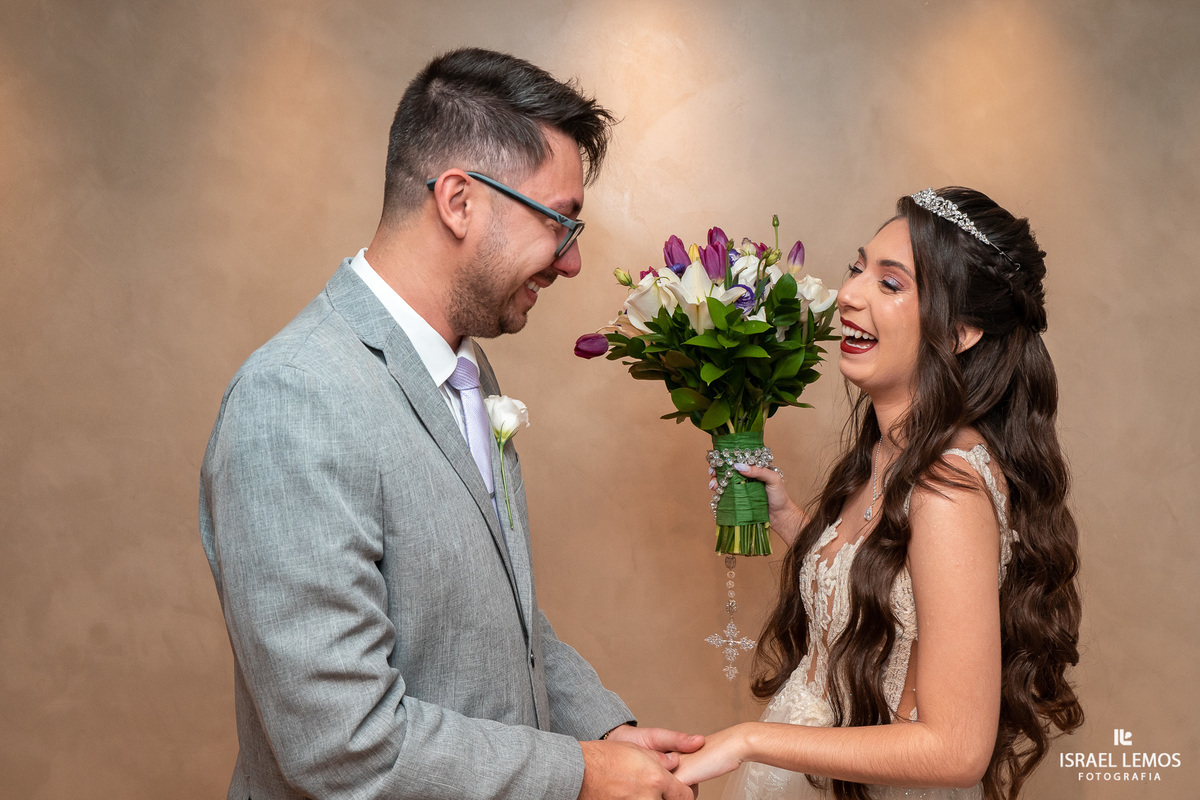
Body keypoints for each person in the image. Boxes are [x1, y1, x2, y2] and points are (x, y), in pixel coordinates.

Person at [199, 47, 701, 800]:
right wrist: (582, 772)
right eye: (560, 223)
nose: (572, 263)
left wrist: (603, 729)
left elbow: (488, 615)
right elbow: (342, 745)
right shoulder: (295, 398)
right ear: (460, 201)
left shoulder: (465, 371)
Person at [675, 187, 1083, 799]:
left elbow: (955, 750)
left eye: (891, 284)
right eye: (857, 268)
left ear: (961, 331)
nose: (850, 295)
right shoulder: (891, 449)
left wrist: (748, 740)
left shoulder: (950, 490)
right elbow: (895, 586)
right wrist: (796, 522)